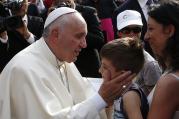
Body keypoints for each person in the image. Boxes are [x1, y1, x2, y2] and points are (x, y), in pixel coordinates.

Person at [0, 7, 135, 119]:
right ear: (55, 34)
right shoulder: (24, 70)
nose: (84, 44)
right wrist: (101, 99)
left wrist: (106, 101)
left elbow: (83, 100)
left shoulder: (63, 59)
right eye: (79, 36)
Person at [99, 37, 149, 119]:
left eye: (105, 67)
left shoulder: (130, 96)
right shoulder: (117, 91)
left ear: (123, 74)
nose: (100, 70)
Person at [145, 0, 179, 118]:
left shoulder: (170, 82)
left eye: (150, 29)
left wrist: (131, 105)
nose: (146, 36)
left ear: (169, 30)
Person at [116, 10, 161, 95]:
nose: (132, 34)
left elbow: (156, 98)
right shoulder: (114, 57)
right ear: (119, 33)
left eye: (136, 29)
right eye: (126, 30)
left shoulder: (149, 64)